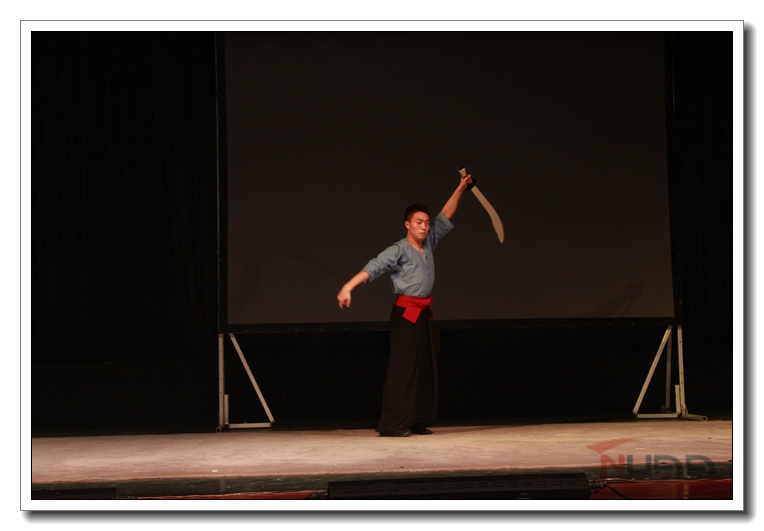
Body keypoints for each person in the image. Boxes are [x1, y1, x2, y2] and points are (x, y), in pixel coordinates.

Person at [336, 172, 473, 437]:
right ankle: (393, 423)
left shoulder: (428, 243)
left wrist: (460, 188)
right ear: (407, 224)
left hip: (421, 313)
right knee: (403, 368)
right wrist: (348, 287)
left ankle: (415, 419)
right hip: (405, 313)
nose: (424, 227)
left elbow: (446, 214)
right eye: (419, 222)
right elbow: (374, 267)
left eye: (426, 223)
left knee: (423, 367)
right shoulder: (398, 249)